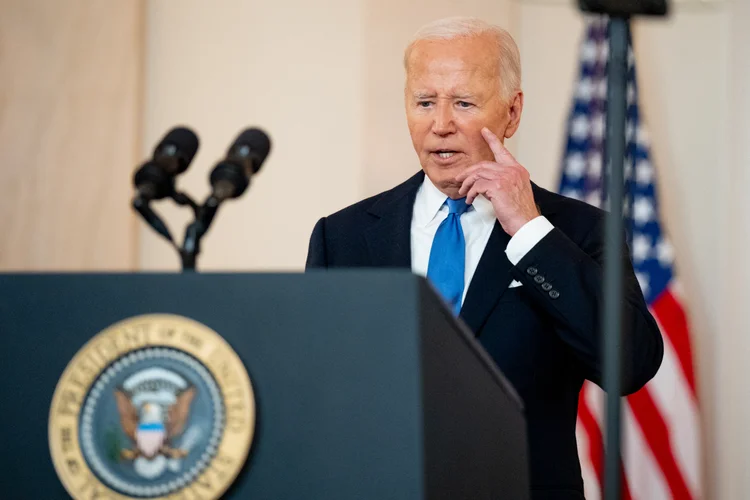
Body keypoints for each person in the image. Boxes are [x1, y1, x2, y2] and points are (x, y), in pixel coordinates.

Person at [306, 16, 663, 500]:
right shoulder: (342, 237)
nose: (441, 124)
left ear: (512, 113)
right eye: (425, 102)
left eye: (464, 103)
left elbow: (630, 365)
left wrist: (530, 230)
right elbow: (317, 396)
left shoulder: (578, 232)